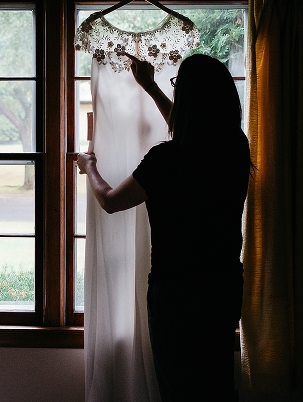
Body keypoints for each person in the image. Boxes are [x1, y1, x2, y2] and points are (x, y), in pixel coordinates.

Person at [76, 52, 250, 402]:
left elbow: (110, 201)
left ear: (186, 98)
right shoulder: (235, 149)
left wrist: (89, 166)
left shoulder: (165, 160)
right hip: (223, 287)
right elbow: (193, 132)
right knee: (216, 383)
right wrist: (152, 87)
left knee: (179, 387)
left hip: (177, 294)